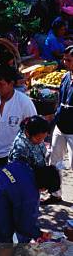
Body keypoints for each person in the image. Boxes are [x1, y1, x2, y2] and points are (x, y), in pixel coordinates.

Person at [0, 64, 37, 173]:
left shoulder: (24, 102)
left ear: (11, 84)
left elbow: (32, 129)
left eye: (2, 84)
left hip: (14, 156)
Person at [48, 46, 73, 203]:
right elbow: (60, 100)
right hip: (60, 126)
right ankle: (55, 194)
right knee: (54, 161)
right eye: (65, 59)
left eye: (69, 60)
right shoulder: (65, 77)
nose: (65, 62)